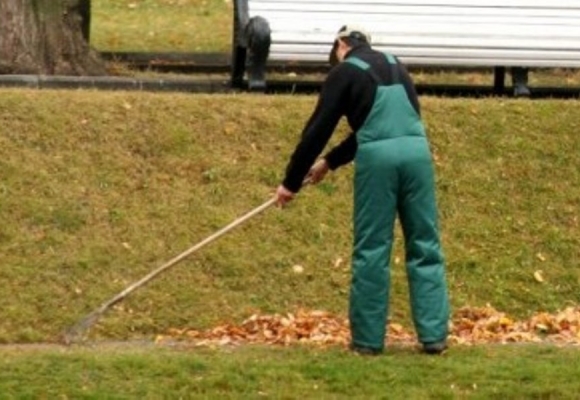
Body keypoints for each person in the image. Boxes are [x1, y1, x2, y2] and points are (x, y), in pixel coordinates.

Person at [274, 25, 450, 355]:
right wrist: (330, 162)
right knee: (425, 243)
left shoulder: (343, 73)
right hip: (417, 156)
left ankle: (368, 342)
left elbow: (317, 130)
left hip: (379, 162)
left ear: (341, 45)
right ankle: (434, 336)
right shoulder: (396, 64)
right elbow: (387, 125)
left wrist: (290, 182)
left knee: (373, 247)